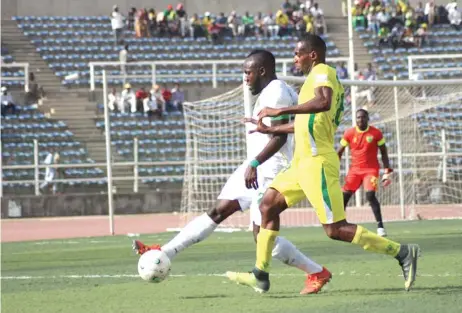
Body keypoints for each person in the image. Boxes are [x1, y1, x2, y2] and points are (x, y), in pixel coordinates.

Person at [226, 35, 420, 293]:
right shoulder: (311, 82)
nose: (295, 59)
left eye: (298, 54)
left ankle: (402, 252)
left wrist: (277, 112)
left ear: (313, 55)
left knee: (335, 229)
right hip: (301, 163)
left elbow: (323, 102)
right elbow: (306, 123)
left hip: (317, 162)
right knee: (267, 206)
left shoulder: (322, 72)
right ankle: (260, 273)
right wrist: (269, 127)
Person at [132, 49, 331, 295]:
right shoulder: (273, 90)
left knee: (262, 236)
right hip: (257, 165)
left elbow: (279, 137)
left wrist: (255, 163)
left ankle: (316, 272)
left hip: (270, 169)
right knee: (218, 210)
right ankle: (163, 253)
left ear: (262, 71)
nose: (245, 78)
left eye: (248, 72)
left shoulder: (276, 92)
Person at [338, 109, 392, 237]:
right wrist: (333, 166)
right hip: (354, 171)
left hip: (370, 170)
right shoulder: (349, 133)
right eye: (358, 118)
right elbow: (339, 151)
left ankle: (380, 227)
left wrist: (387, 171)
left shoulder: (376, 133)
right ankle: (339, 224)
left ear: (368, 118)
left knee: (370, 196)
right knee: (343, 197)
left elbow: (384, 152)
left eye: (363, 117)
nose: (360, 120)